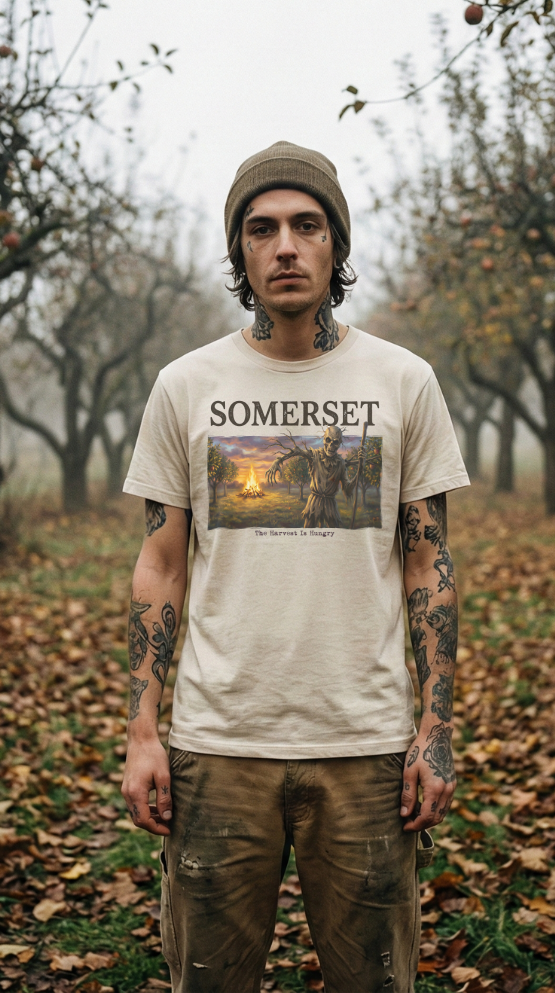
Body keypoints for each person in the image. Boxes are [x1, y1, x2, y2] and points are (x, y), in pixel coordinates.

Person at [122, 141, 469, 993]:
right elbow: (160, 566)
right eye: (262, 228)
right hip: (218, 745)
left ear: (335, 246)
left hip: (367, 747)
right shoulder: (185, 385)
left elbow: (429, 566)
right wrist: (141, 732)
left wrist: (435, 728)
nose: (285, 245)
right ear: (240, 250)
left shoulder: (404, 381)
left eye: (306, 226)